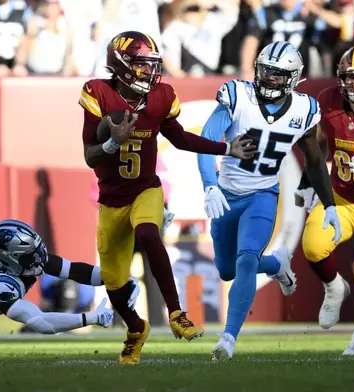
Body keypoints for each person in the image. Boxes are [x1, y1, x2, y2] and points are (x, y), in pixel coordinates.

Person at [79, 30, 256, 365]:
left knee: (148, 233)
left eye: (151, 65)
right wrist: (112, 141)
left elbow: (179, 137)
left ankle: (176, 313)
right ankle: (135, 330)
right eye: (141, 66)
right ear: (121, 66)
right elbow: (90, 156)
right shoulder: (98, 93)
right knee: (114, 282)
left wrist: (225, 147)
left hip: (146, 189)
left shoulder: (160, 96)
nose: (149, 72)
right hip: (110, 200)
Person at [198, 41, 341, 361]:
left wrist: (329, 204)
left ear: (292, 77)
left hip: (262, 196)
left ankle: (228, 339)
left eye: (276, 75)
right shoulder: (238, 96)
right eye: (264, 71)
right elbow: (207, 141)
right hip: (227, 194)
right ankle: (278, 263)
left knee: (247, 258)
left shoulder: (303, 109)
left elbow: (316, 159)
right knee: (226, 269)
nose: (268, 79)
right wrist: (210, 186)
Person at [295, 45, 354, 356]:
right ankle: (333, 287)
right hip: (340, 197)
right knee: (313, 245)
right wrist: (307, 180)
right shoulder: (327, 100)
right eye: (348, 78)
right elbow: (318, 144)